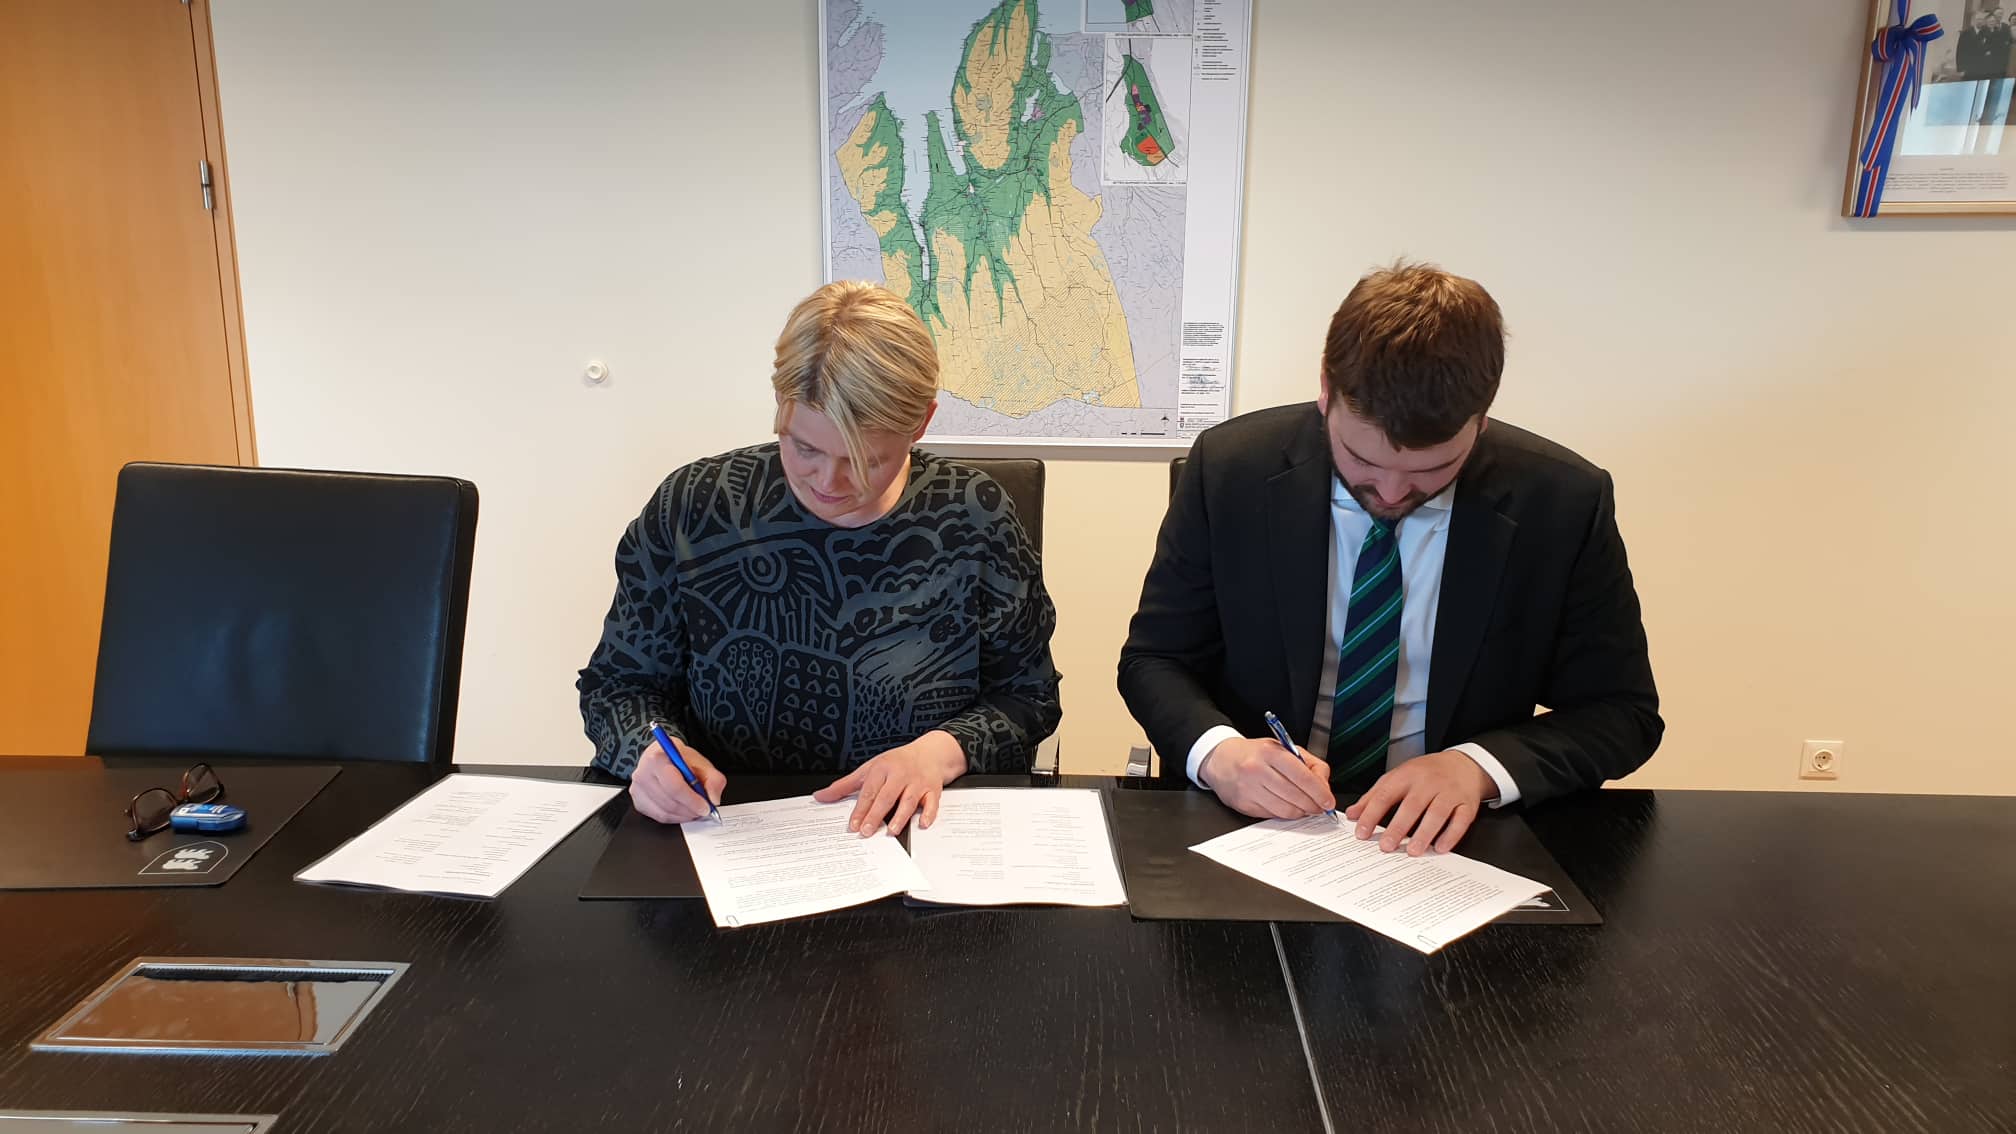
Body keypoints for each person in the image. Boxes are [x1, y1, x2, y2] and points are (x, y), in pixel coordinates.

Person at [1117, 261, 1660, 855]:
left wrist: (1476, 767)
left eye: (1433, 469)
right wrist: (1220, 754)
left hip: (1450, 844)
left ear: (1481, 419)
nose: (1394, 492)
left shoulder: (1561, 501)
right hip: (1258, 828)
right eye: (1363, 462)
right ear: (1326, 390)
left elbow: (1622, 713)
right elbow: (1155, 659)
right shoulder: (1231, 468)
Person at [579, 281, 1062, 837]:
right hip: (724, 832)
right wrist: (648, 755)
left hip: (914, 831)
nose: (828, 482)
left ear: (921, 424)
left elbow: (1028, 698)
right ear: (779, 405)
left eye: (866, 460)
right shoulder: (695, 507)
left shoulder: (975, 516)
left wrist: (939, 753)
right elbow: (618, 685)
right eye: (803, 447)